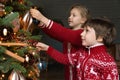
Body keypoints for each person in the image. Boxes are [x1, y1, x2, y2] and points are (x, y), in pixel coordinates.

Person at [34, 18, 119, 80]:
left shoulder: (107, 62)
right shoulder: (82, 53)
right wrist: (47, 48)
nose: (82, 34)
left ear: (100, 37)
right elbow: (64, 59)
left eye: (87, 31)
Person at [30, 4, 90, 80]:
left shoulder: (82, 34)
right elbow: (55, 34)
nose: (70, 17)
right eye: (70, 15)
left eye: (74, 15)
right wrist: (41, 24)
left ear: (83, 19)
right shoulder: (69, 34)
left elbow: (63, 32)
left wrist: (42, 18)